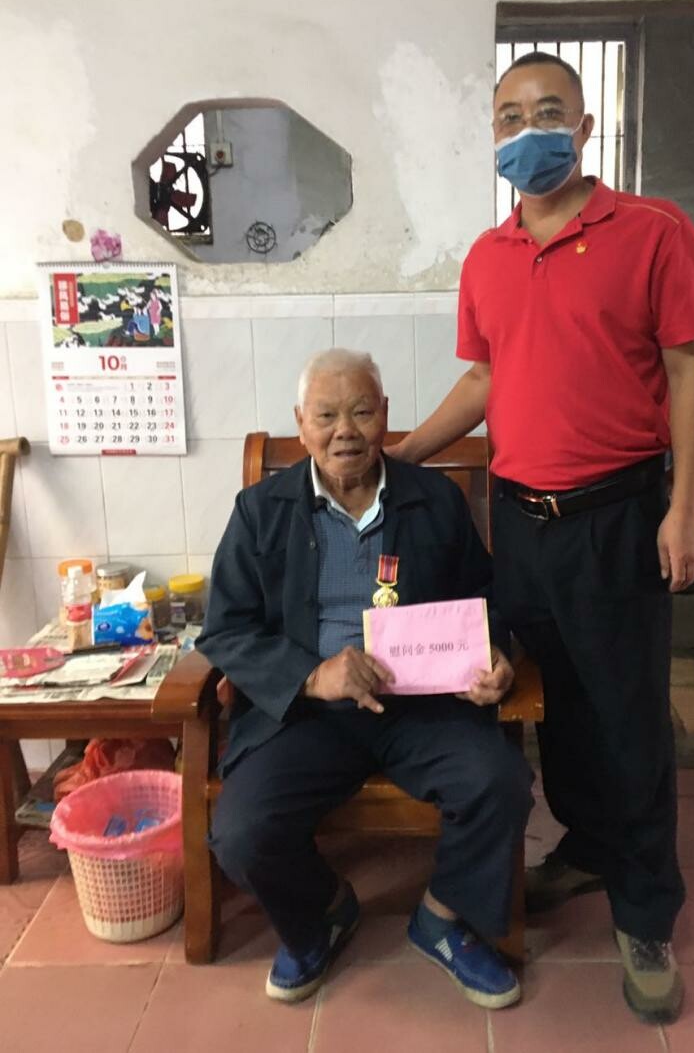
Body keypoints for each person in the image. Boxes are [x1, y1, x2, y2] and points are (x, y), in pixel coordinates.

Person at [389, 52, 694, 1024]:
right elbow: (486, 379)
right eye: (508, 116)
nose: (526, 129)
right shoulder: (487, 256)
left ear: (582, 129)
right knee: (554, 705)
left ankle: (646, 911)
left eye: (547, 112)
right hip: (520, 522)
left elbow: (689, 372)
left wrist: (684, 508)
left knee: (628, 719)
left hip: (618, 518)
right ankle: (586, 846)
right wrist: (403, 455)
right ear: (493, 136)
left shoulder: (652, 231)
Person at [197, 349, 532, 1009]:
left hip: (423, 707)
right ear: (301, 422)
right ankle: (322, 912)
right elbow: (226, 630)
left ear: (384, 415)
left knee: (499, 784)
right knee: (241, 831)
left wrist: (496, 654)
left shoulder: (434, 500)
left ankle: (443, 919)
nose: (344, 431)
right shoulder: (261, 511)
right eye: (326, 416)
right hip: (307, 716)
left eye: (360, 412)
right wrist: (312, 675)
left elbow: (486, 598)